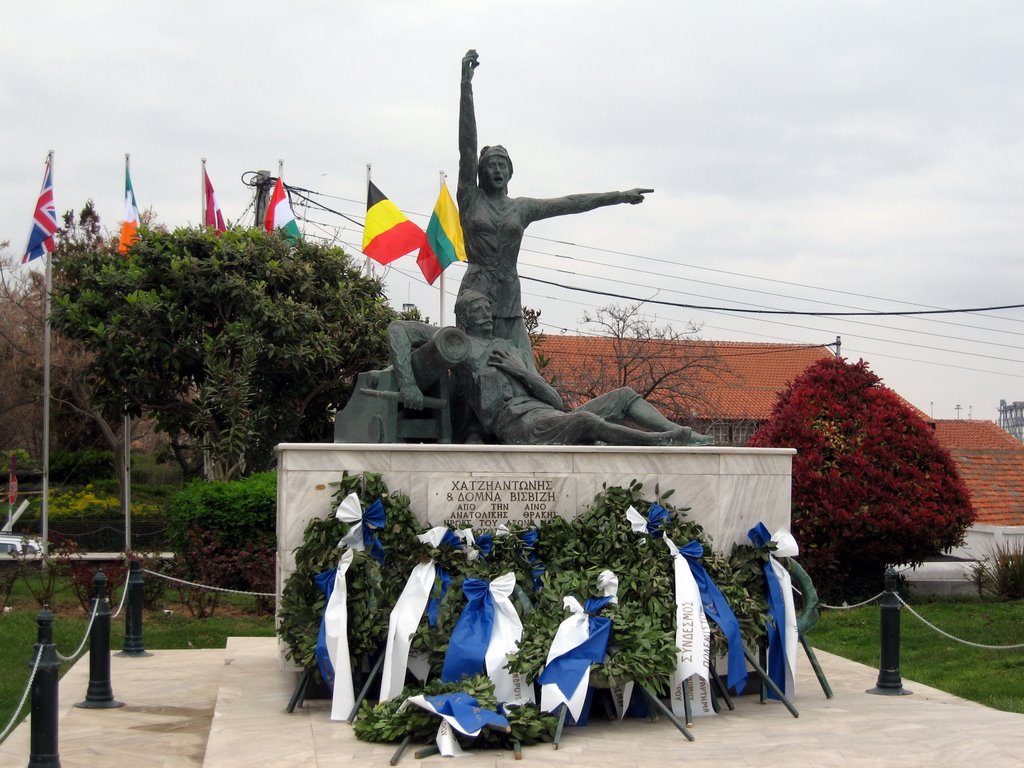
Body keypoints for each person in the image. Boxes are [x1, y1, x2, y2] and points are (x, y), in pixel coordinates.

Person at [457, 49, 654, 366]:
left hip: (508, 296)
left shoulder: (521, 208)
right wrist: (466, 86)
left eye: (502, 165)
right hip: (476, 296)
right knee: (473, 369)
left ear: (510, 172)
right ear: (480, 172)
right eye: (490, 165)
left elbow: (572, 203)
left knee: (526, 370)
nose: (496, 170)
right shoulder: (470, 198)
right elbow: (466, 145)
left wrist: (619, 195)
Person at [390, 290, 714, 447]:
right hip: (516, 423)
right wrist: (408, 385)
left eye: (489, 308)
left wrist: (522, 371)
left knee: (624, 396)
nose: (487, 315)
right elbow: (397, 330)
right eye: (478, 310)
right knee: (586, 421)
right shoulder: (460, 343)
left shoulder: (511, 348)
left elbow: (556, 401)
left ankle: (682, 435)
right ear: (464, 318)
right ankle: (660, 442)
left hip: (548, 414)